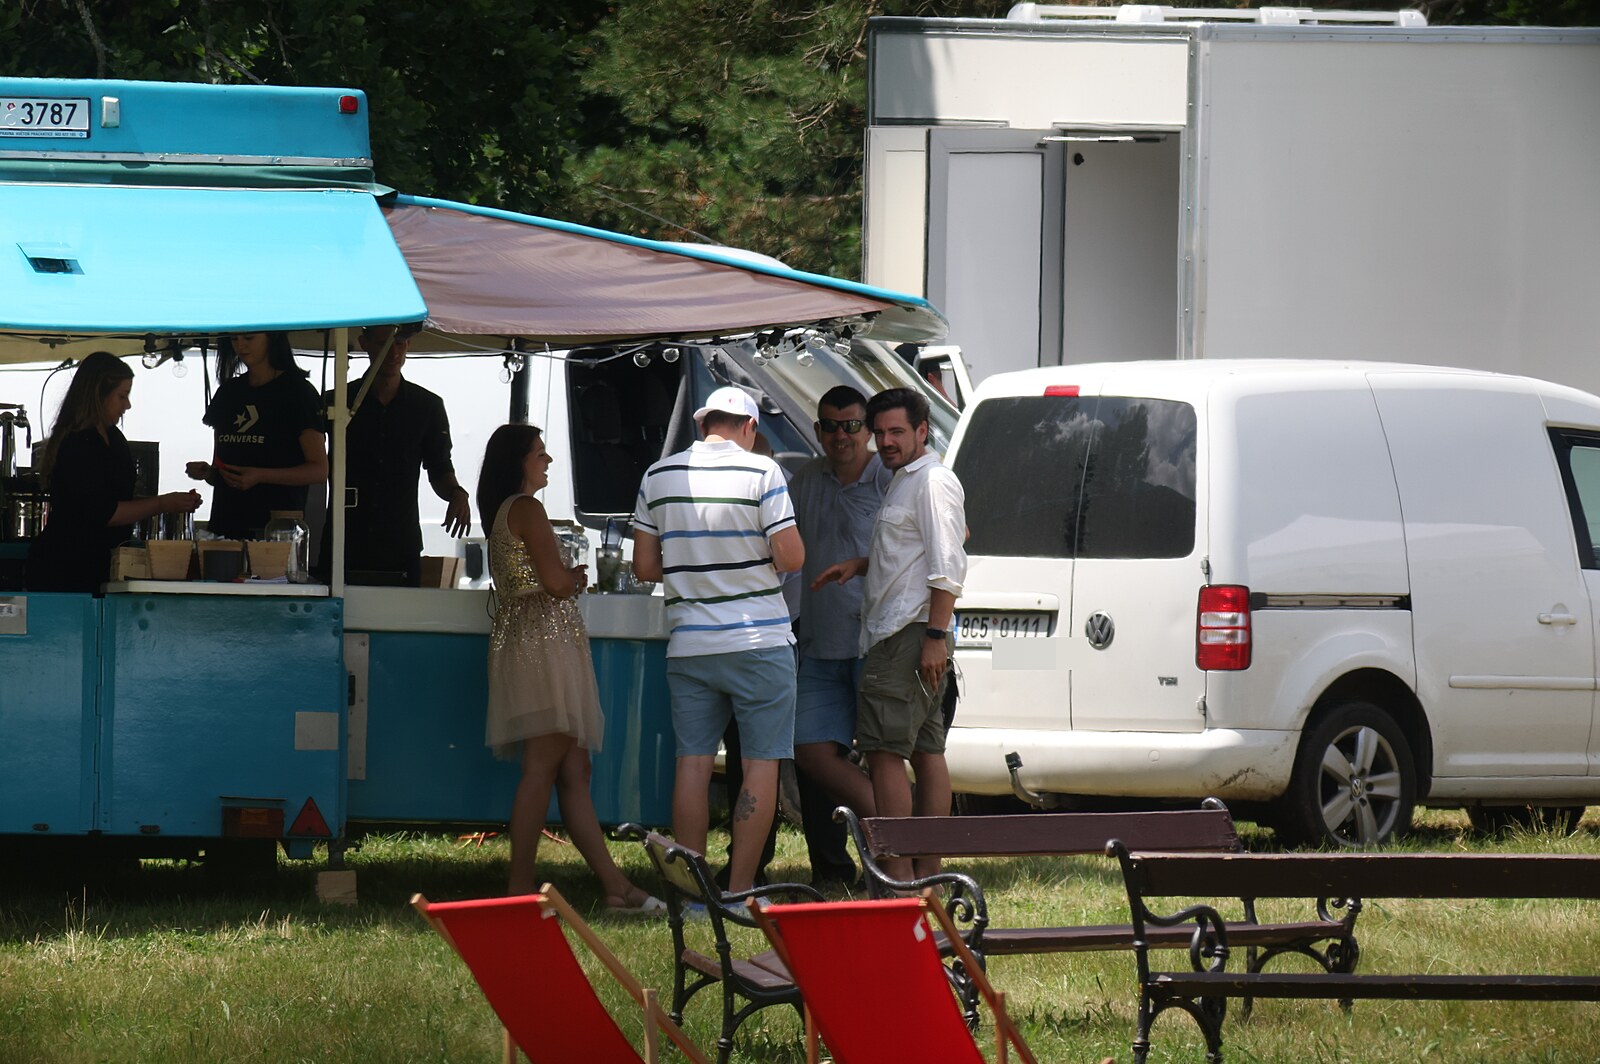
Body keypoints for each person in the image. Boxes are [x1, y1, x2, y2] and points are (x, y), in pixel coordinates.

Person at [477, 422, 662, 910]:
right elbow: (556, 584)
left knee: (574, 770)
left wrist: (564, 578)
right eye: (539, 453)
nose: (548, 461)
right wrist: (577, 577)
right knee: (541, 769)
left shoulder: (505, 510)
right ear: (518, 461)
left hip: (533, 641)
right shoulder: (527, 508)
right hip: (544, 645)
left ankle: (616, 887)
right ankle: (519, 889)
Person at [631, 386, 804, 894]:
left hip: (690, 645)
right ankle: (739, 889)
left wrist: (695, 565)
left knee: (693, 764)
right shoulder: (762, 472)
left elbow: (645, 567)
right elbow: (792, 556)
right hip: (759, 641)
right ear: (749, 427)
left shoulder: (658, 475)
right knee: (760, 764)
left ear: (704, 424)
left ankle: (694, 894)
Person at [813, 387, 966, 882]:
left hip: (908, 634)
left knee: (884, 754)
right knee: (926, 751)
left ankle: (899, 877)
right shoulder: (906, 479)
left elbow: (948, 566)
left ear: (923, 430)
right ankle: (924, 874)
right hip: (908, 632)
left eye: (897, 431)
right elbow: (921, 549)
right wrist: (862, 565)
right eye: (879, 433)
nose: (886, 442)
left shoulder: (932, 481)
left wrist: (935, 636)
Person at [788, 385, 892, 888]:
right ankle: (895, 834)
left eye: (851, 425)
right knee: (807, 750)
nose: (841, 435)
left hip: (876, 644)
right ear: (817, 430)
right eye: (830, 426)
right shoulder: (805, 480)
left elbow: (937, 545)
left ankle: (897, 862)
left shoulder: (890, 477)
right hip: (818, 644)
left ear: (867, 429)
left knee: (884, 757)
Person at [26, 353, 201, 593]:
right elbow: (104, 512)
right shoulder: (78, 445)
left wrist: (172, 502)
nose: (127, 405)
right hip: (66, 567)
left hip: (101, 563)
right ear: (99, 395)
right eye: (122, 396)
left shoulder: (114, 439)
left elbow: (116, 500)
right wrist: (162, 503)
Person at [322, 324, 470, 585]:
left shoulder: (427, 406)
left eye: (399, 343)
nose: (393, 353)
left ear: (408, 346)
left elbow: (439, 467)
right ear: (364, 344)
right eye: (383, 344)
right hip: (344, 539)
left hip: (399, 544)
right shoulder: (335, 402)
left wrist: (457, 494)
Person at [185, 332, 326, 540]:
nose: (240, 345)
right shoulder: (228, 392)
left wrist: (260, 475)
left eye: (249, 338)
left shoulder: (298, 392)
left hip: (275, 531)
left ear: (272, 338)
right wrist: (210, 473)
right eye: (234, 339)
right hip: (225, 527)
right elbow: (223, 465)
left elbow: (319, 470)